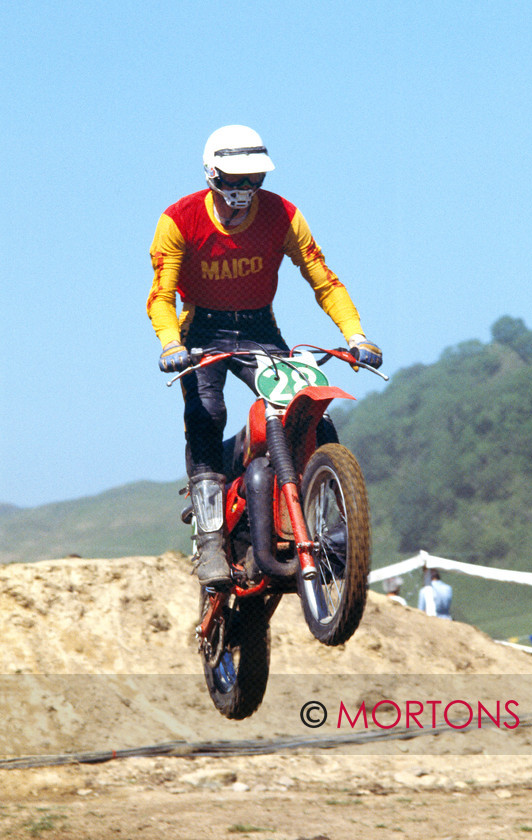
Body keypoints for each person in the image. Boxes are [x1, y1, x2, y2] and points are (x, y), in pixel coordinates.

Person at [147, 125, 382, 589]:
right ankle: (211, 541)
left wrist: (355, 334)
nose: (245, 189)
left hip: (259, 327)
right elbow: (161, 295)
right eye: (235, 179)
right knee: (206, 411)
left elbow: (322, 277)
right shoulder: (178, 219)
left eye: (254, 178)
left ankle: (326, 518)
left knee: (310, 410)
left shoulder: (283, 215)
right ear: (212, 174)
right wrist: (171, 344)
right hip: (202, 331)